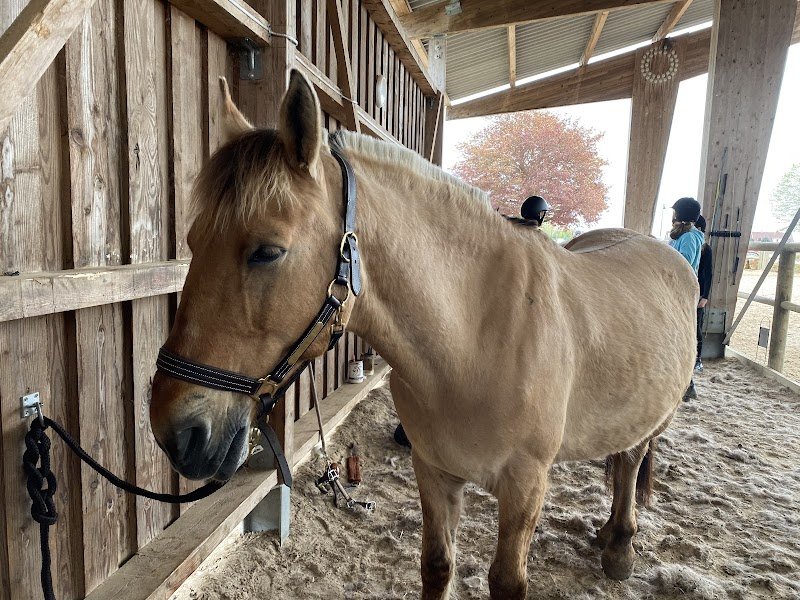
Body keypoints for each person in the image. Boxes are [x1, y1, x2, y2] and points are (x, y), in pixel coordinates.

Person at [668, 197, 704, 400]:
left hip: (679, 289)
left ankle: (688, 383)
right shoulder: (681, 234)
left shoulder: (690, 236)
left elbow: (685, 262)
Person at [694, 215, 712, 373]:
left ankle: (698, 359)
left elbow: (708, 273)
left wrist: (705, 296)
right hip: (690, 291)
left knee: (697, 327)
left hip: (698, 293)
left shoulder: (705, 249)